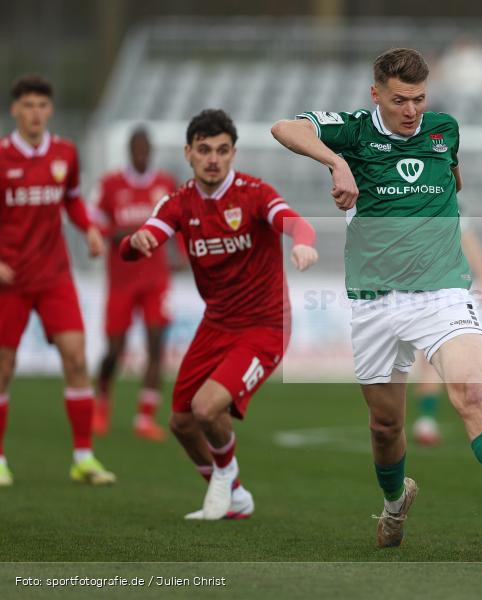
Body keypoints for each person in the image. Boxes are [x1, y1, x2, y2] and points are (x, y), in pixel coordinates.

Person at [271, 47, 482, 546]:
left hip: (440, 292)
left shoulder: (445, 129)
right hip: (374, 300)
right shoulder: (354, 131)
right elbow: (283, 128)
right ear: (376, 94)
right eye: (399, 100)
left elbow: (452, 178)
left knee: (472, 391)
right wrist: (338, 164)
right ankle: (395, 504)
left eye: (419, 99)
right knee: (384, 425)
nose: (411, 110)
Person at [120, 109, 318, 519]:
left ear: (233, 154)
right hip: (217, 323)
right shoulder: (178, 202)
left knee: (206, 408)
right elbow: (143, 241)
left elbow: (296, 223)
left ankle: (224, 479)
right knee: (179, 422)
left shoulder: (254, 193)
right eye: (205, 150)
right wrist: (137, 242)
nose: (214, 158)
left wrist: (302, 243)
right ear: (188, 152)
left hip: (265, 324)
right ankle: (235, 495)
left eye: (223, 150)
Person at [0, 74, 116, 487]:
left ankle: (83, 457)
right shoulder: (1, 157)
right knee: (4, 367)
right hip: (10, 280)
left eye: (42, 106)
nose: (36, 113)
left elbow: (70, 198)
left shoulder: (65, 152)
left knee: (77, 358)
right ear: (15, 110)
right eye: (28, 105)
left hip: (54, 276)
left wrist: (88, 228)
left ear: (50, 110)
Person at [91, 127, 178, 441]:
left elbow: (179, 220)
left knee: (157, 345)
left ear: (150, 151)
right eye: (136, 148)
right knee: (115, 350)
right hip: (122, 280)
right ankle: (101, 404)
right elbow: (93, 219)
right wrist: (119, 233)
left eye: (145, 149)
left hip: (156, 279)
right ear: (129, 150)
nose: (141, 153)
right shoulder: (111, 184)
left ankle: (145, 418)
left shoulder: (165, 184)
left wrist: (180, 255)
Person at [411, 223, 482, 447]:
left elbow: (468, 241)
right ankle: (426, 419)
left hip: (436, 291)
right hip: (431, 291)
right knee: (433, 359)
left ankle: (426, 419)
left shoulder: (432, 201)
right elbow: (469, 242)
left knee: (431, 360)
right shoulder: (443, 201)